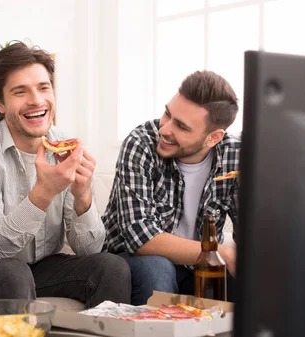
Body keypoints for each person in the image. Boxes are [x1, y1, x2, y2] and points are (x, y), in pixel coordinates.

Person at [0, 41, 131, 308]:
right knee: (13, 271)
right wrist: (43, 194)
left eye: (43, 88)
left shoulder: (65, 145)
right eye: (20, 92)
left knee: (111, 266)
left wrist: (83, 196)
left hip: (44, 265)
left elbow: (89, 250)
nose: (36, 100)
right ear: (0, 103)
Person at [102, 71, 239, 305]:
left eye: (181, 127)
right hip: (133, 259)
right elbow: (141, 238)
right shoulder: (141, 143)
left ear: (213, 137)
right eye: (167, 113)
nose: (164, 129)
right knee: (157, 267)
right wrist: (222, 252)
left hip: (199, 267)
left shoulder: (235, 156)